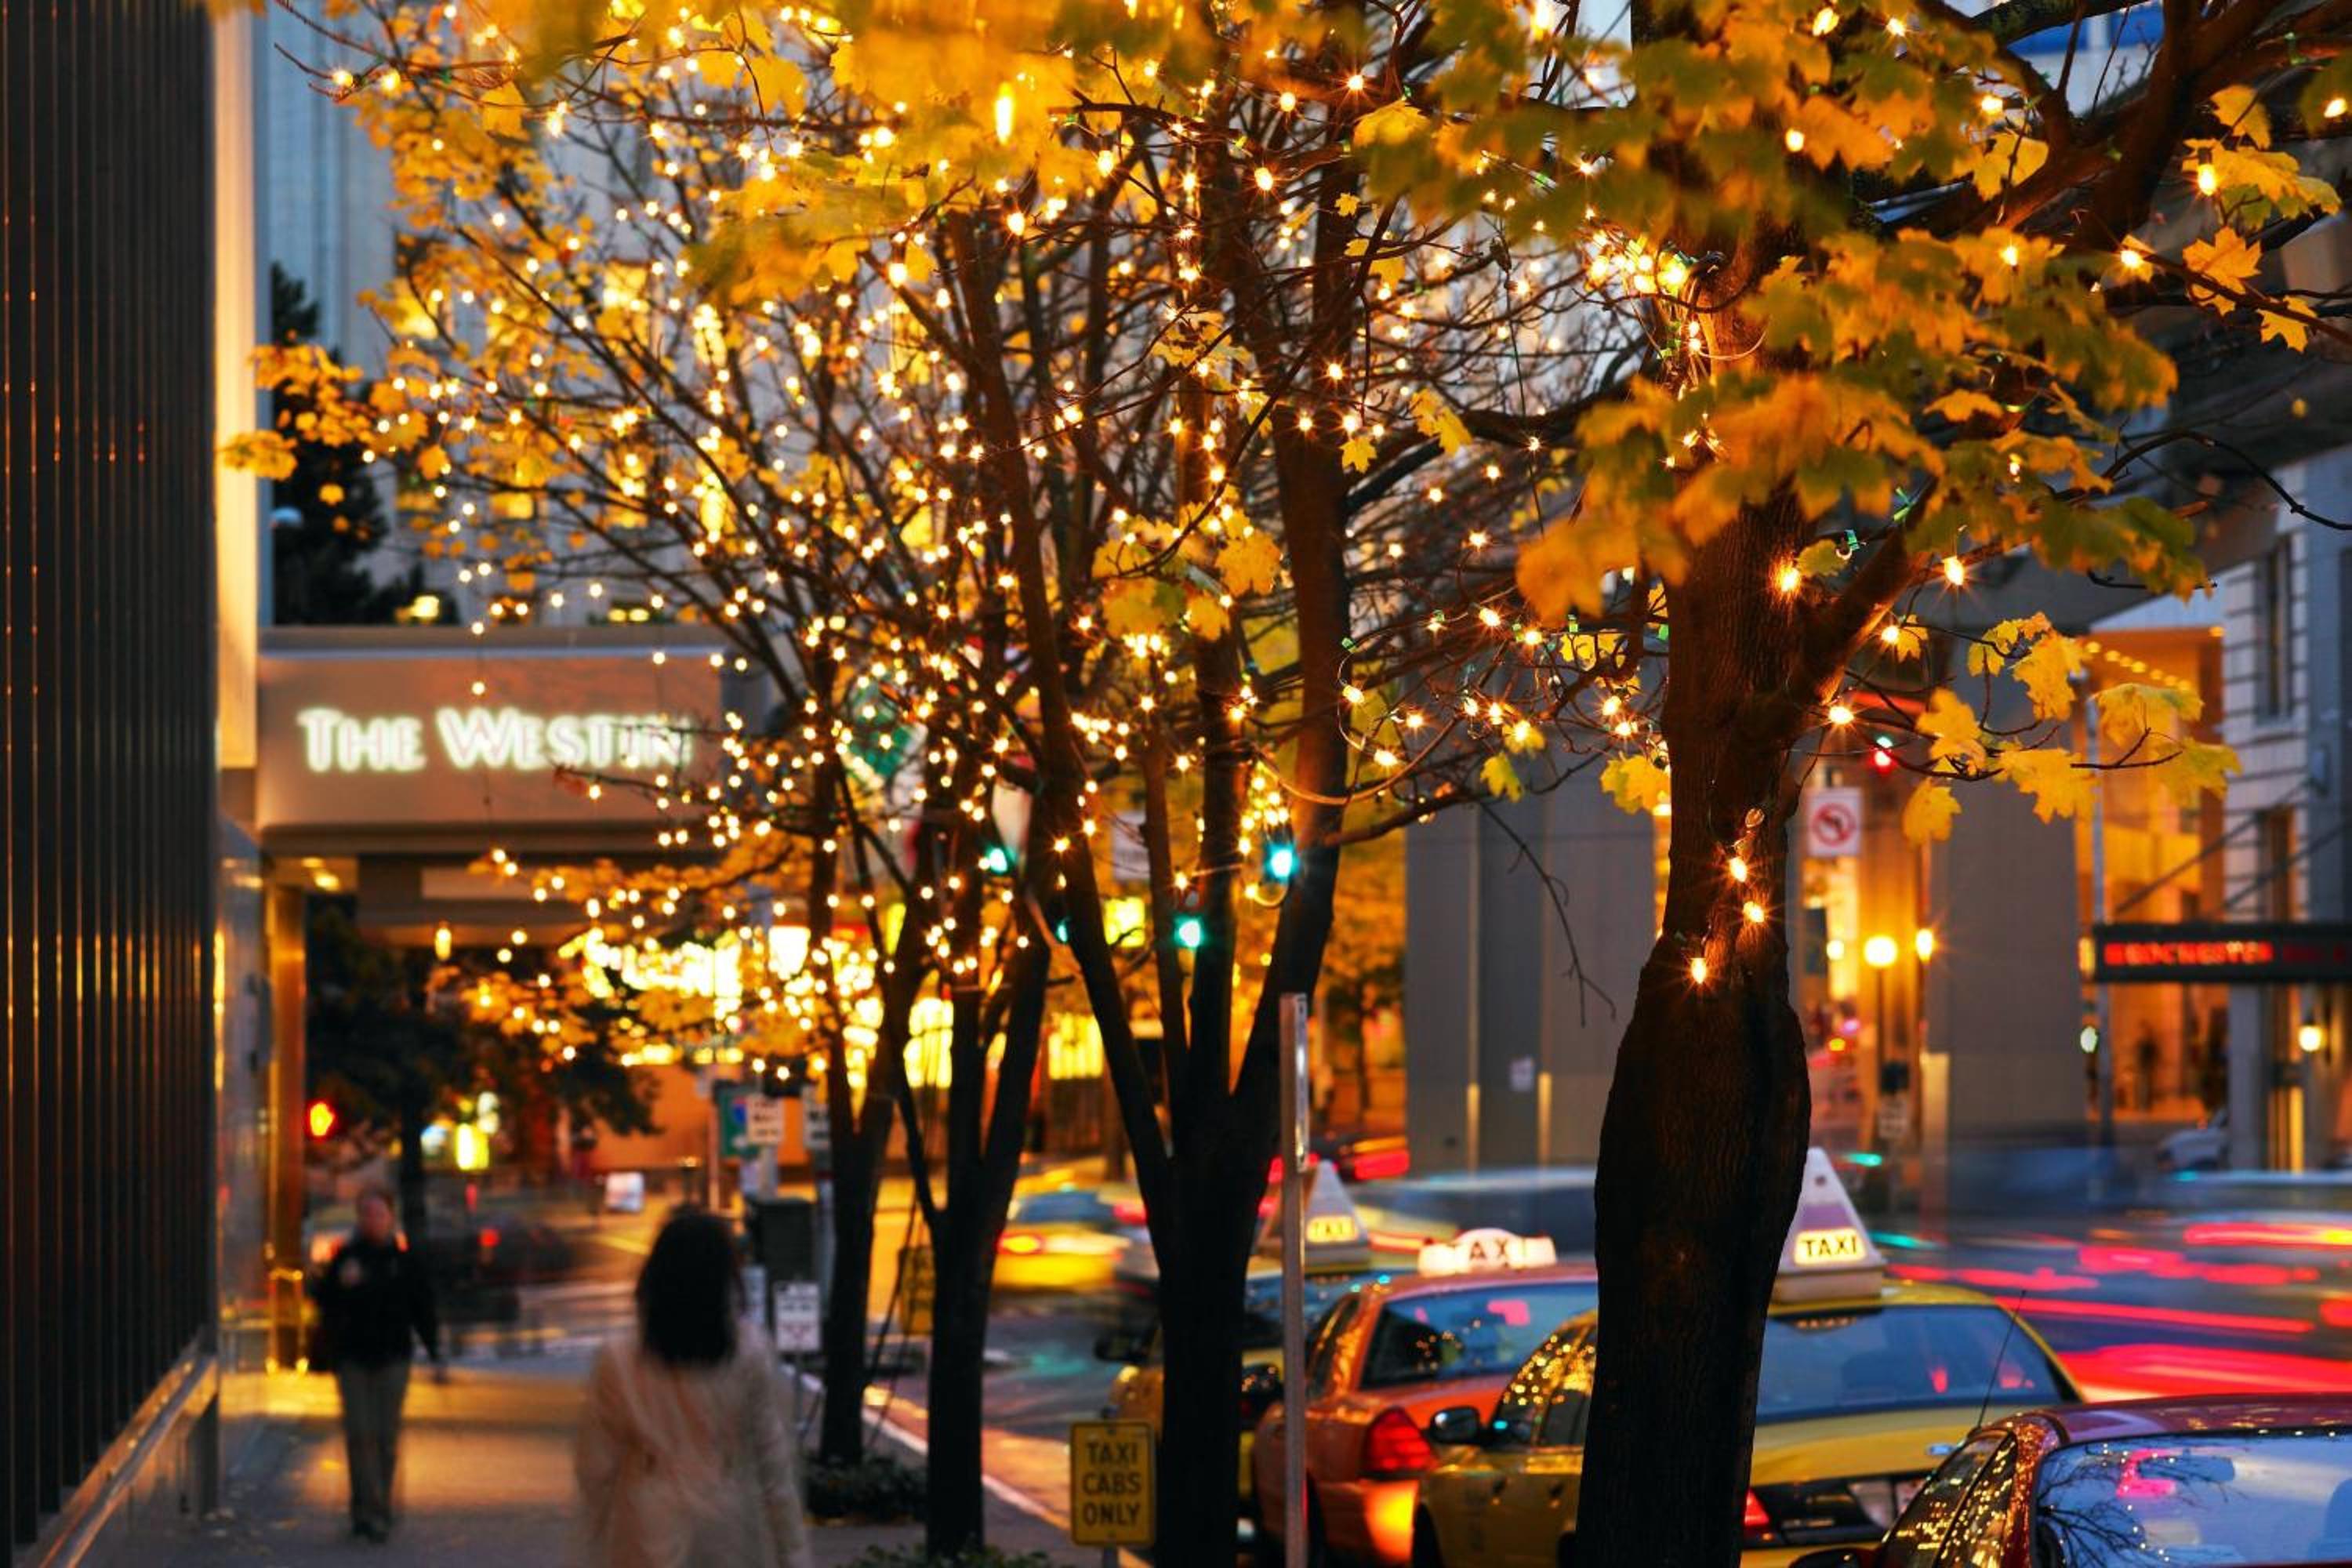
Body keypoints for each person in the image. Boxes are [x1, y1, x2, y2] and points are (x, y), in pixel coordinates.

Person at [576, 1207, 815, 1568]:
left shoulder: (619, 1359)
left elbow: (595, 1465)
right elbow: (774, 1464)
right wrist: (793, 1554)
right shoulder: (748, 1352)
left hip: (647, 1524)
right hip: (727, 1523)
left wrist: (594, 1534)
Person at [311, 1183, 442, 1542]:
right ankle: (365, 1511)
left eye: (379, 1214)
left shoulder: (404, 1262)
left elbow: (422, 1307)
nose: (372, 1221)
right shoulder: (347, 1258)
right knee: (359, 1435)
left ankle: (379, 1507)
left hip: (393, 1358)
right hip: (353, 1357)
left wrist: (433, 1351)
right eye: (366, 1214)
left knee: (385, 1437)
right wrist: (338, 1283)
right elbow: (324, 1301)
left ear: (390, 1217)